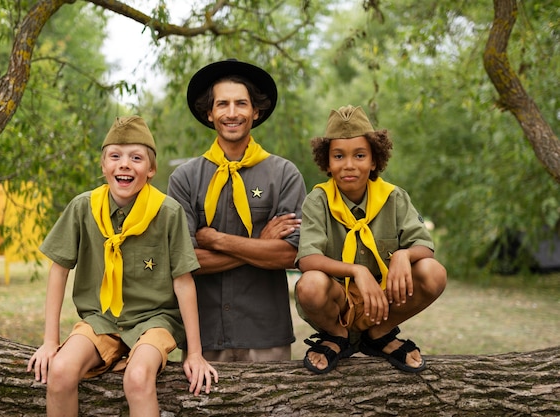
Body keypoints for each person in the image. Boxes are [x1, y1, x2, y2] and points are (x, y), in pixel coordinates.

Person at [27, 116, 218, 416]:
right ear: (103, 166)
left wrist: (194, 353)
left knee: (138, 377)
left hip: (155, 320)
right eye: (115, 156)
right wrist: (50, 341)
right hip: (101, 320)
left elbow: (183, 281)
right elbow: (59, 270)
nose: (125, 164)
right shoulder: (83, 208)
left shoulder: (168, 212)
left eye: (136, 158)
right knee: (61, 371)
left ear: (151, 169)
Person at [167, 59, 306, 362]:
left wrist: (215, 240)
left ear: (256, 112)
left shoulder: (284, 174)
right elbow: (184, 262)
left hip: (265, 330)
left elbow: (288, 255)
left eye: (241, 103)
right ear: (209, 112)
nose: (232, 113)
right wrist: (261, 247)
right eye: (222, 104)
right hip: (203, 334)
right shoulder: (185, 179)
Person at [295, 105, 447, 374]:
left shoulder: (394, 197)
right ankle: (337, 337)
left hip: (384, 300)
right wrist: (357, 271)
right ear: (327, 163)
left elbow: (424, 247)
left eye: (360, 155)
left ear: (374, 160)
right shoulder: (318, 200)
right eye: (339, 156)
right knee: (309, 285)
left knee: (432, 272)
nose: (349, 165)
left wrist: (403, 255)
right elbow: (307, 259)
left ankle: (379, 334)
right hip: (338, 300)